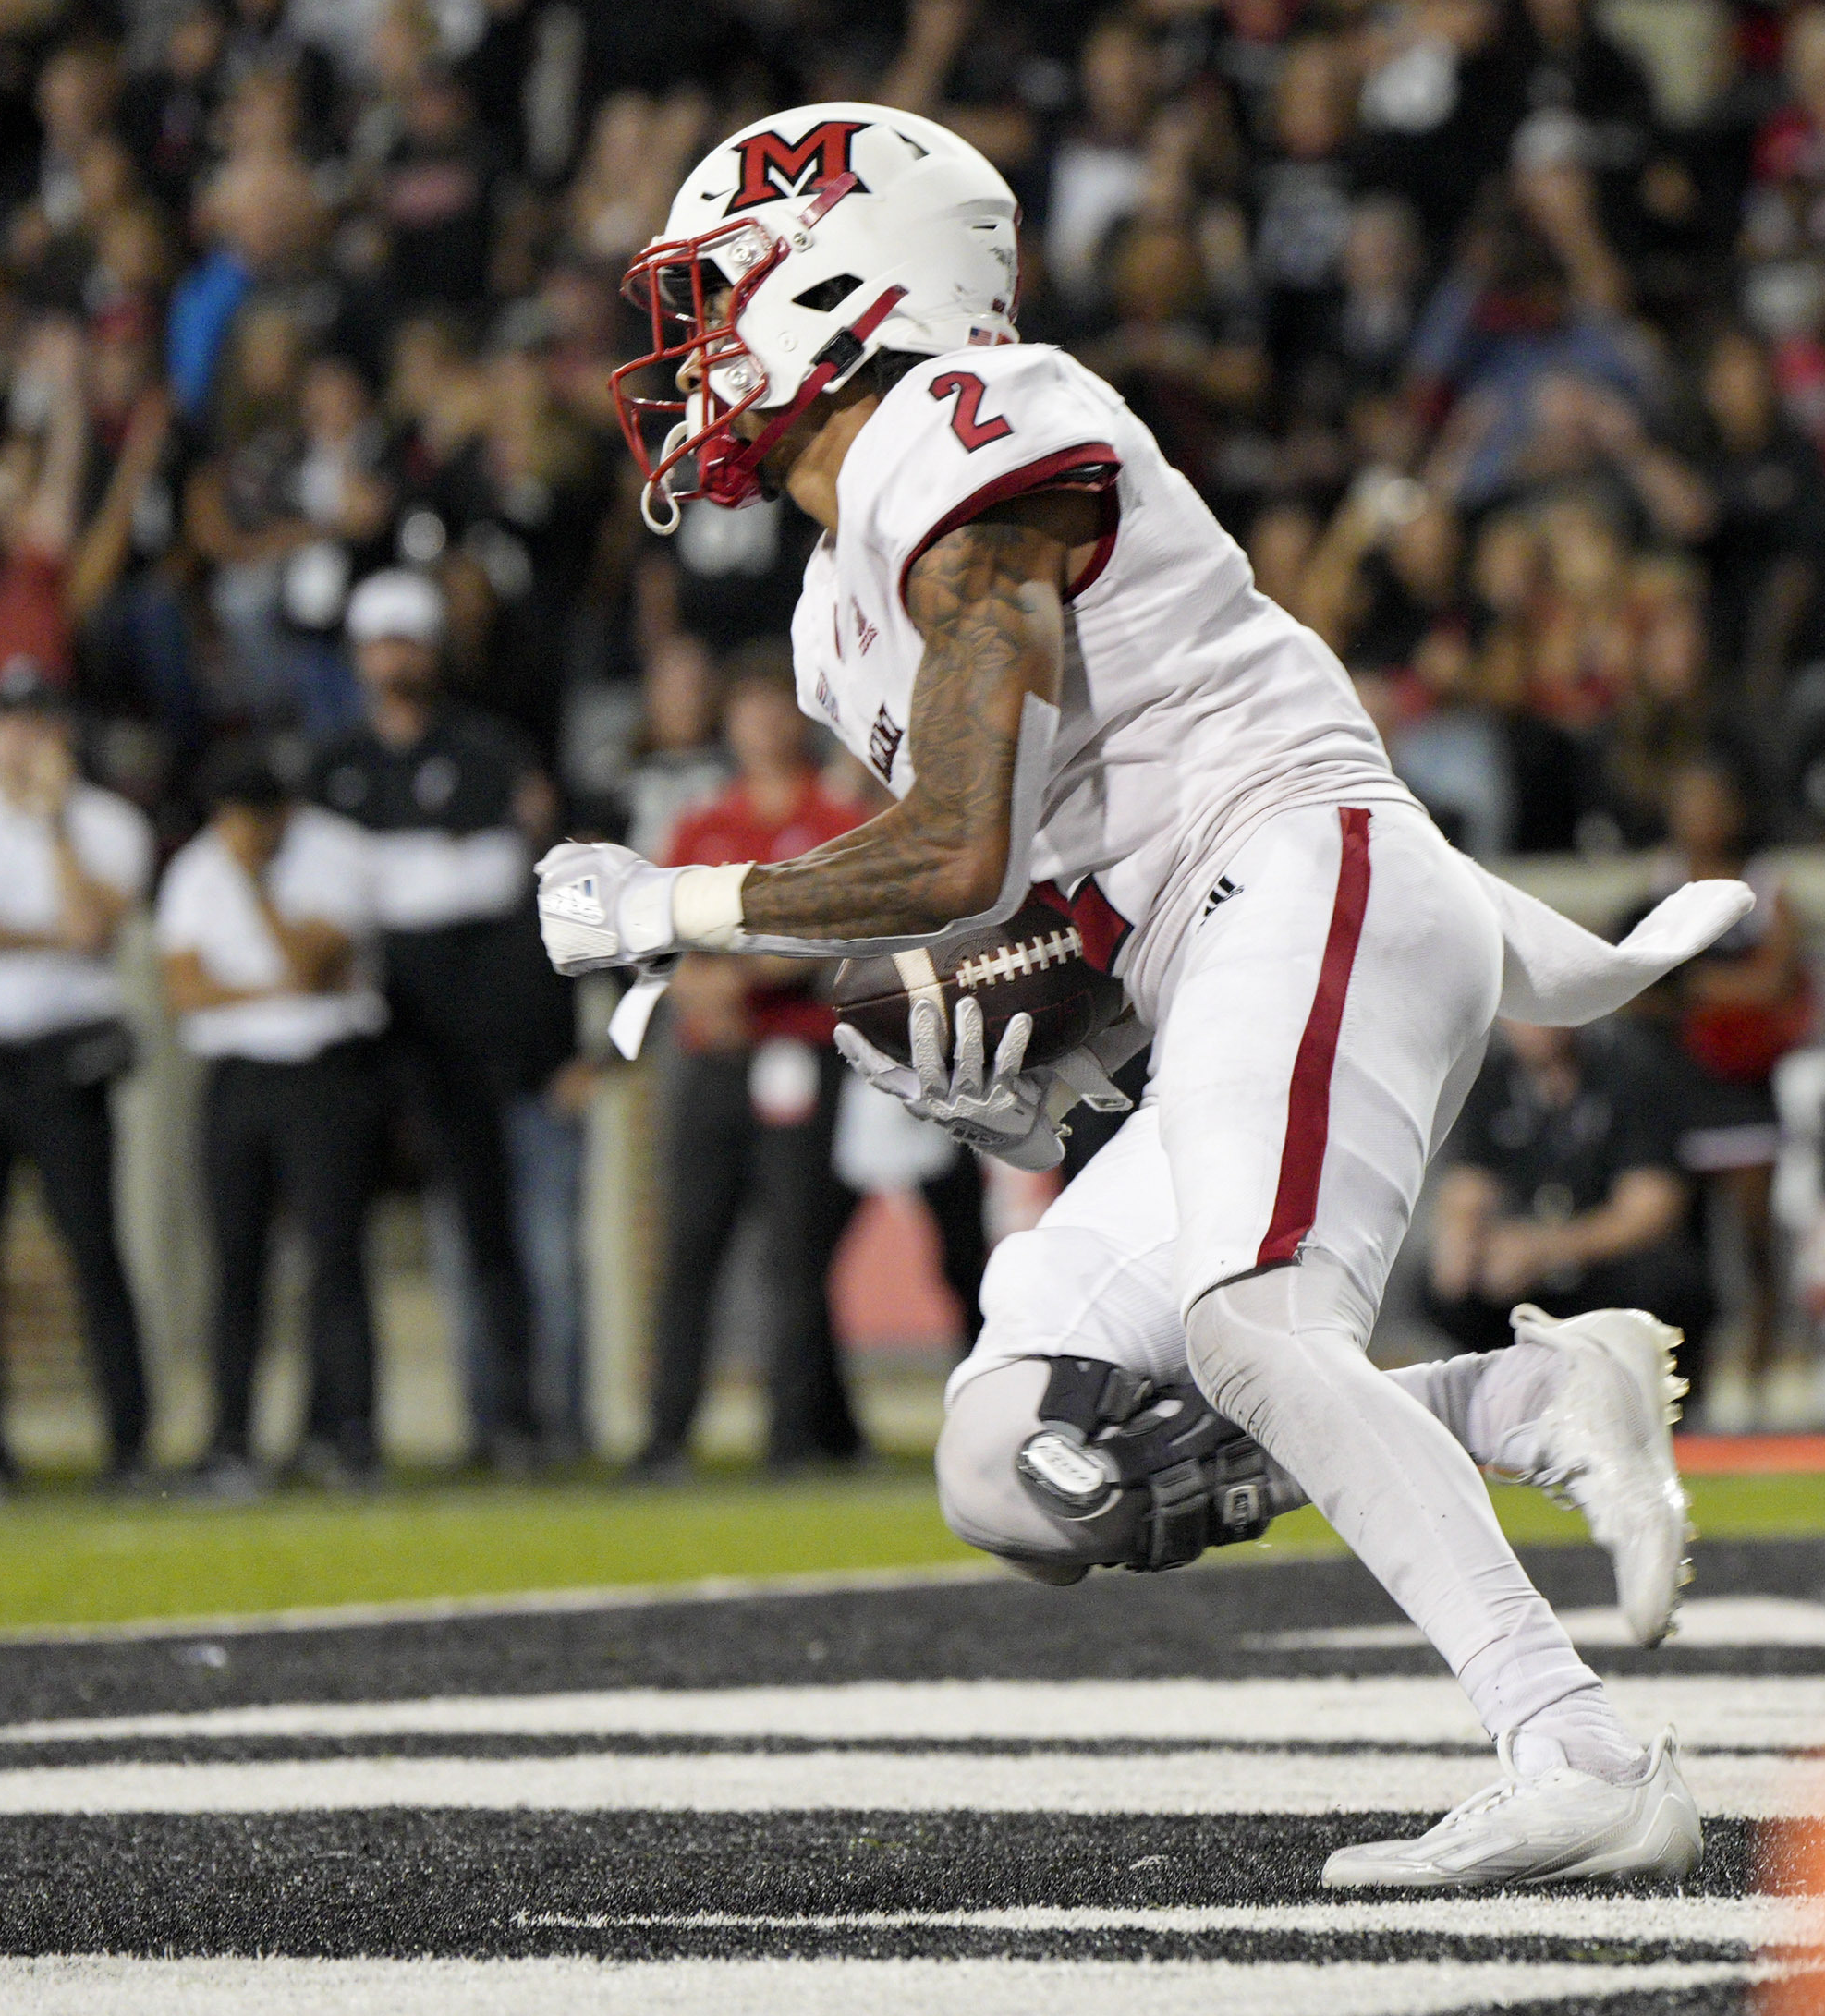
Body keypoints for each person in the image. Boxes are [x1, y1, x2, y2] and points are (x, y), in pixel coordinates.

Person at [531, 102, 1731, 1889]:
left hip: (1308, 852)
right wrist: (1021, 1066)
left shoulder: (977, 419)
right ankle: (1523, 1402)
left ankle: (1576, 1748)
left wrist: (684, 899)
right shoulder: (823, 612)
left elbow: (950, 851)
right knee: (1011, 1463)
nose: (691, 349)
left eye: (719, 295)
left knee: (1251, 1315)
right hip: (1208, 926)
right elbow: (1037, 890)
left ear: (847, 282)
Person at [318, 567, 571, 1470]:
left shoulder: (483, 746)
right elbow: (326, 889)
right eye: (379, 641)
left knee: (491, 1228)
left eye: (408, 639)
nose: (393, 657)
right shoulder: (332, 760)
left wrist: (386, 878)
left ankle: (510, 1417)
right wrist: (435, 871)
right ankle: (340, 1427)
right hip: (356, 1030)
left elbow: (508, 879)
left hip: (470, 1032)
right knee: (330, 1228)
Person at [0, 662, 155, 1496]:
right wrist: (42, 935)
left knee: (94, 1245)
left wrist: (55, 825)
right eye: (7, 722)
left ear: (62, 732)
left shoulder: (106, 823)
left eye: (37, 723)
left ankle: (130, 1443)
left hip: (66, 1058)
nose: (21, 740)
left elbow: (91, 927)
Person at [633, 654, 872, 1475]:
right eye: (750, 708)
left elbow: (832, 925)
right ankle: (667, 1432)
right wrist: (702, 989)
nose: (764, 725)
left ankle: (794, 1433)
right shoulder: (704, 823)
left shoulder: (832, 816)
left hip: (800, 1050)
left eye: (777, 708)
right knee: (691, 1244)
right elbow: (660, 936)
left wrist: (732, 976)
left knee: (796, 1250)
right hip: (717, 1055)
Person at [157, 745, 384, 1490]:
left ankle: (346, 1433)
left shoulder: (333, 852)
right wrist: (269, 990)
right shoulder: (194, 867)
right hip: (235, 1077)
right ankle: (231, 1439)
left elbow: (307, 965)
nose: (240, 831)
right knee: (235, 1263)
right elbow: (185, 990)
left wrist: (256, 885)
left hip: (323, 1073)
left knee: (334, 1256)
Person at [1422, 1020, 1715, 1367]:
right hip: (1522, 1264)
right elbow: (1469, 1183)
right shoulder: (1492, 1077)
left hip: (1606, 1260)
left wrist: (1547, 1249)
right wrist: (1461, 1242)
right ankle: (1497, 1397)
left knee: (1663, 1282)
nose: (1537, 1024)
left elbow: (1651, 1207)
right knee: (1449, 1286)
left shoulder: (1630, 1067)